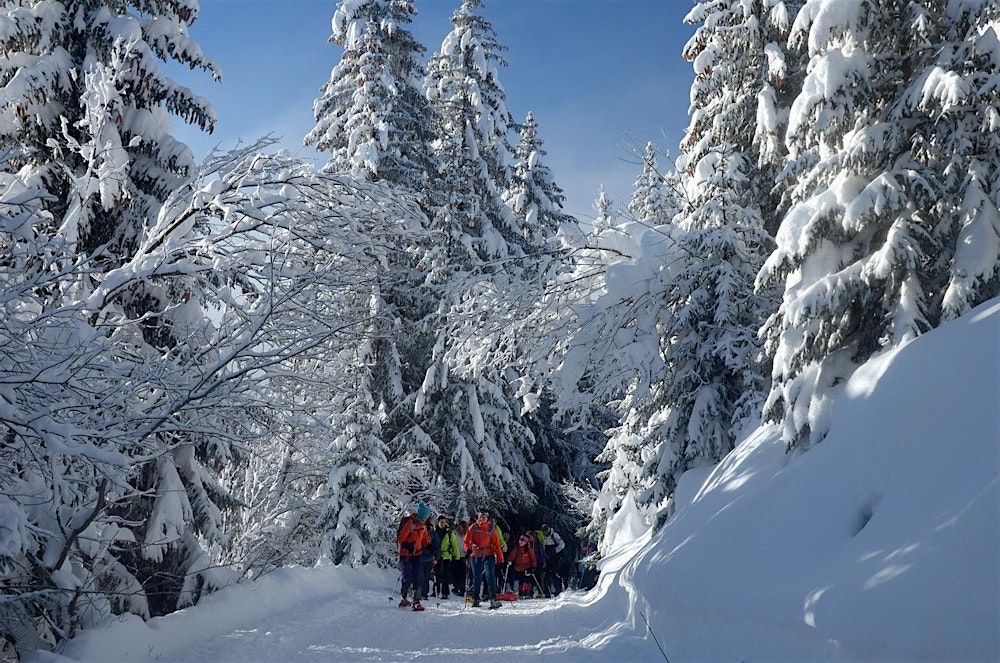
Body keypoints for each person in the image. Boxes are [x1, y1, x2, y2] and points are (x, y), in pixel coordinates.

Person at [463, 510, 504, 608]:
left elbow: (496, 544)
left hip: (488, 554)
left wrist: (500, 558)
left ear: (487, 518)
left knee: (490, 577)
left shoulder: (491, 529)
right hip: (476, 555)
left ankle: (493, 600)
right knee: (477, 578)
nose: (481, 518)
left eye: (484, 516)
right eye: (480, 516)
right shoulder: (473, 527)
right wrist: (468, 548)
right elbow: (466, 541)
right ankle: (475, 599)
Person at [397, 502, 432, 611]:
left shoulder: (423, 526)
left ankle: (416, 601)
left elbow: (425, 539)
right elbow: (400, 539)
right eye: (425, 516)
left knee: (418, 577)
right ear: (421, 515)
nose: (426, 519)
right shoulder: (410, 523)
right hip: (405, 555)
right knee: (407, 577)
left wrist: (430, 546)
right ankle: (403, 598)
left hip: (417, 554)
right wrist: (407, 546)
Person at [434, 516, 460, 599]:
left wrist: (457, 555)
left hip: (446, 555)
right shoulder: (434, 531)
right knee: (437, 574)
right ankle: (436, 591)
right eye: (441, 522)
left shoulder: (449, 532)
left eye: (444, 522)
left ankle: (445, 592)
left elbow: (454, 544)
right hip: (436, 555)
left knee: (445, 574)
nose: (443, 524)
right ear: (438, 522)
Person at [507, 533, 537, 598]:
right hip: (517, 567)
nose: (520, 542)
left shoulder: (528, 549)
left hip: (526, 567)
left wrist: (533, 566)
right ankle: (516, 592)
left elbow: (533, 558)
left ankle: (525, 592)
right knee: (517, 580)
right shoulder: (517, 548)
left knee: (525, 581)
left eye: (522, 541)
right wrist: (510, 560)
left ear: (526, 542)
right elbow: (512, 555)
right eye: (520, 540)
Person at [542, 523, 566, 595]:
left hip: (555, 556)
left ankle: (558, 589)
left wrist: (555, 550)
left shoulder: (554, 535)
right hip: (546, 556)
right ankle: (547, 591)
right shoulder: (542, 537)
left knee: (555, 573)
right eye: (544, 531)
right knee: (546, 574)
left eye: (546, 531)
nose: (545, 533)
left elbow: (562, 544)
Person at [420, 516, 434, 600]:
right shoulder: (419, 529)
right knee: (421, 576)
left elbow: (436, 543)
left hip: (428, 557)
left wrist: (435, 554)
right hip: (420, 555)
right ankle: (421, 592)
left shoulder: (432, 532)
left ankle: (424, 593)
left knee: (426, 576)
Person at [454, 520, 469, 597]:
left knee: (462, 574)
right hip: (456, 555)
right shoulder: (455, 533)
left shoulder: (467, 533)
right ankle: (456, 587)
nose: (461, 528)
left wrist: (467, 553)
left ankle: (462, 589)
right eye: (460, 526)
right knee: (456, 573)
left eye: (463, 527)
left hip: (464, 555)